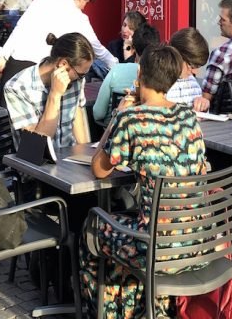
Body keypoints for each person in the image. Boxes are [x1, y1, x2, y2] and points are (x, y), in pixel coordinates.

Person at [81, 45, 208, 318]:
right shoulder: (188, 117)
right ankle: (152, 310)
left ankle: (110, 312)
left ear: (139, 74)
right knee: (131, 226)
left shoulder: (132, 118)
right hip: (199, 241)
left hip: (154, 249)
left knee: (94, 226)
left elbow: (99, 169)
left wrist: (118, 116)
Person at [0, 0, 118, 87]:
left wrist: (4, 57)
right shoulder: (79, 17)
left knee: (7, 110)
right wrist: (115, 65)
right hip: (41, 72)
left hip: (15, 64)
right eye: (86, 2)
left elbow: (20, 28)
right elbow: (97, 49)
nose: (84, 7)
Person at [4, 31, 94, 148]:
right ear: (63, 64)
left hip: (70, 158)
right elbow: (36, 146)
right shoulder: (17, 88)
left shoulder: (76, 79)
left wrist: (85, 152)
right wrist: (55, 95)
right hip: (36, 163)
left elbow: (77, 114)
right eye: (81, 74)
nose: (81, 79)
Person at [93, 23, 160, 125]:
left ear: (134, 47)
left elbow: (98, 113)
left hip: (114, 130)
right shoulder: (163, 74)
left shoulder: (116, 71)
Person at [166, 27, 206, 105]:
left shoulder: (192, 83)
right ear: (176, 55)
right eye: (191, 66)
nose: (195, 71)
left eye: (198, 66)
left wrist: (203, 105)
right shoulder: (160, 83)